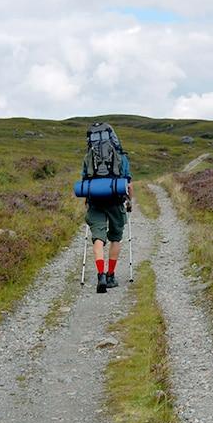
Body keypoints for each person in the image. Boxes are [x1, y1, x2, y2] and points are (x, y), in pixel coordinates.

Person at [81, 122, 133, 294]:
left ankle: (100, 274)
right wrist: (129, 202)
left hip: (95, 201)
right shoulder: (121, 157)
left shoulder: (89, 156)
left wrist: (87, 201)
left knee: (98, 237)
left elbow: (85, 180)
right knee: (115, 238)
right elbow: (128, 184)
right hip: (116, 201)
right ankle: (111, 275)